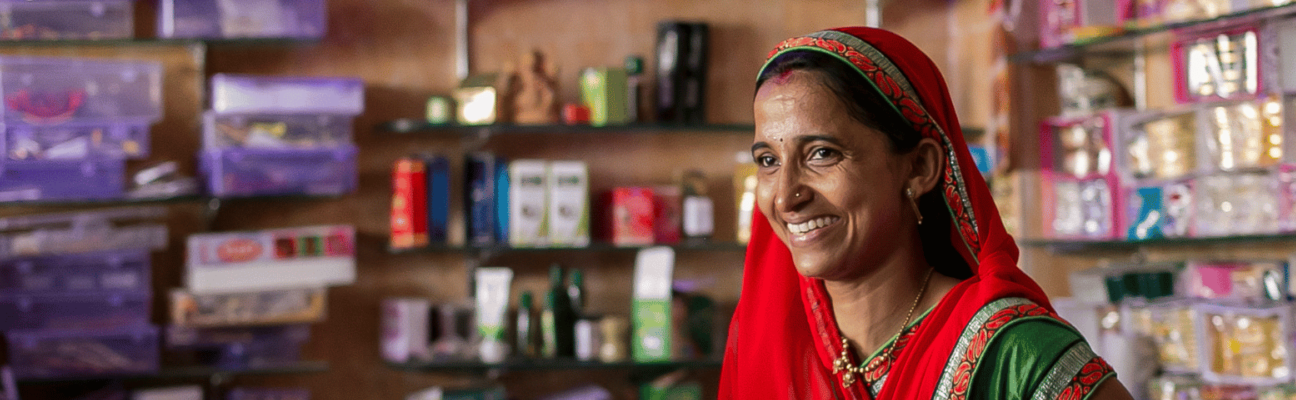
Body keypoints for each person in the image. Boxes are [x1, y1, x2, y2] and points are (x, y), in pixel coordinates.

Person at [720, 27, 1136, 400]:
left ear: (920, 167)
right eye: (768, 161)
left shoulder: (1014, 356)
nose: (786, 197)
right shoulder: (773, 348)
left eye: (822, 154)